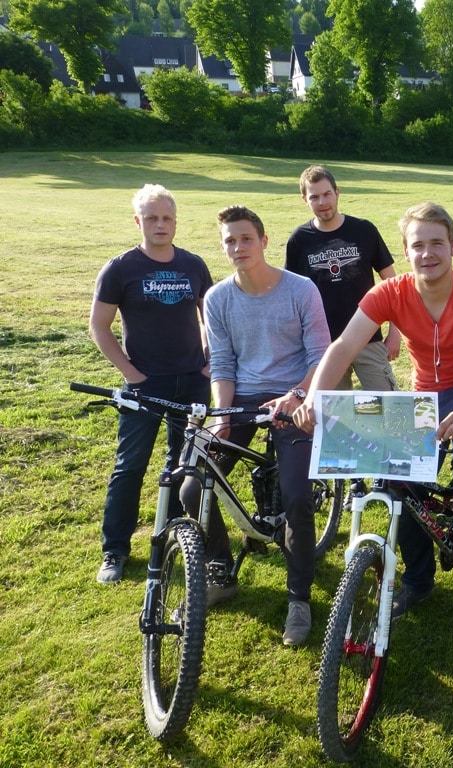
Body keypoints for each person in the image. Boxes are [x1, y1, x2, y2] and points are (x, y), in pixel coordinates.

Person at [293, 202, 453, 615]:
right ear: (405, 253)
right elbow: (343, 346)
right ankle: (417, 578)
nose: (427, 253)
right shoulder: (390, 291)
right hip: (424, 393)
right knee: (397, 477)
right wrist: (315, 397)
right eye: (417, 245)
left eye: (437, 244)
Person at [182, 205, 330, 646]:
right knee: (194, 487)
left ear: (264, 242)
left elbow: (320, 357)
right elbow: (222, 362)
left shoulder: (301, 290)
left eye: (246, 238)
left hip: (296, 396)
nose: (238, 247)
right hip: (243, 397)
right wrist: (223, 415)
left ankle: (298, 598)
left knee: (298, 497)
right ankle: (221, 568)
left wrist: (299, 395)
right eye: (230, 240)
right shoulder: (217, 299)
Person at [89, 184, 213, 584]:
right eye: (152, 217)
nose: (160, 224)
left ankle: (180, 536)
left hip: (193, 382)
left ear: (176, 221)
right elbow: (100, 327)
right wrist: (131, 374)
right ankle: (115, 551)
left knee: (186, 465)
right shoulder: (120, 268)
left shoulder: (194, 264)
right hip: (144, 386)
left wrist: (210, 363)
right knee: (130, 468)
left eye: (167, 217)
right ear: (137, 221)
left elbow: (211, 317)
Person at [285, 164, 400, 389]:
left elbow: (392, 284)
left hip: (368, 334)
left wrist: (395, 332)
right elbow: (291, 295)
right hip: (324, 343)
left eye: (327, 194)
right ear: (304, 199)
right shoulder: (299, 240)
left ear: (337, 192)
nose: (323, 202)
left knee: (389, 406)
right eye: (314, 197)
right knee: (335, 414)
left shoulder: (364, 230)